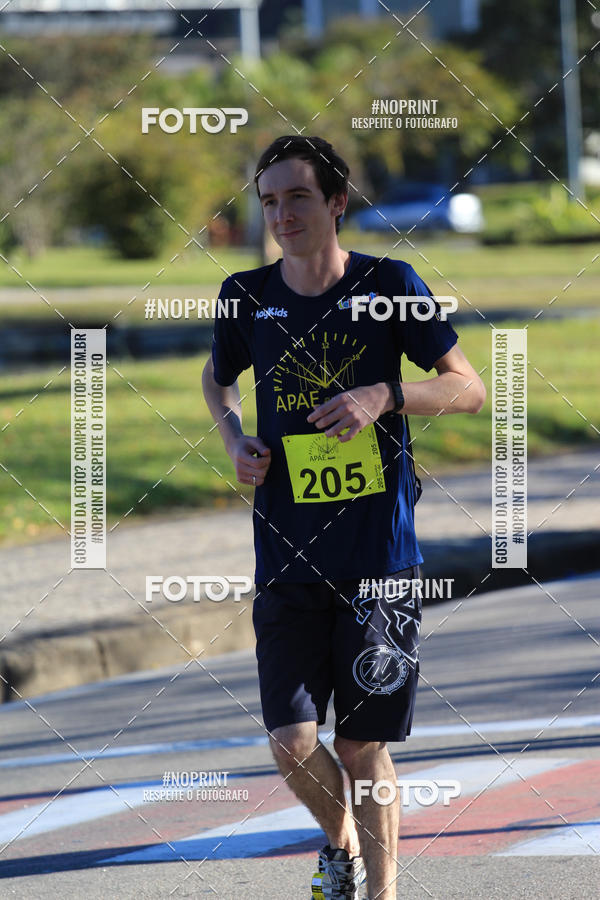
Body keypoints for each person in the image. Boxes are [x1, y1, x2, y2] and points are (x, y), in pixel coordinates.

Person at [202, 135, 486, 900]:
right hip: (285, 555)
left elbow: (469, 387)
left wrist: (384, 396)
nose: (281, 214)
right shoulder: (245, 294)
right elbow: (217, 376)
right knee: (293, 744)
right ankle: (340, 849)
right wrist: (235, 439)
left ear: (336, 203)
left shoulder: (388, 283)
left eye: (297, 196)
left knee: (361, 744)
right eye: (268, 201)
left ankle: (384, 891)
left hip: (377, 561)